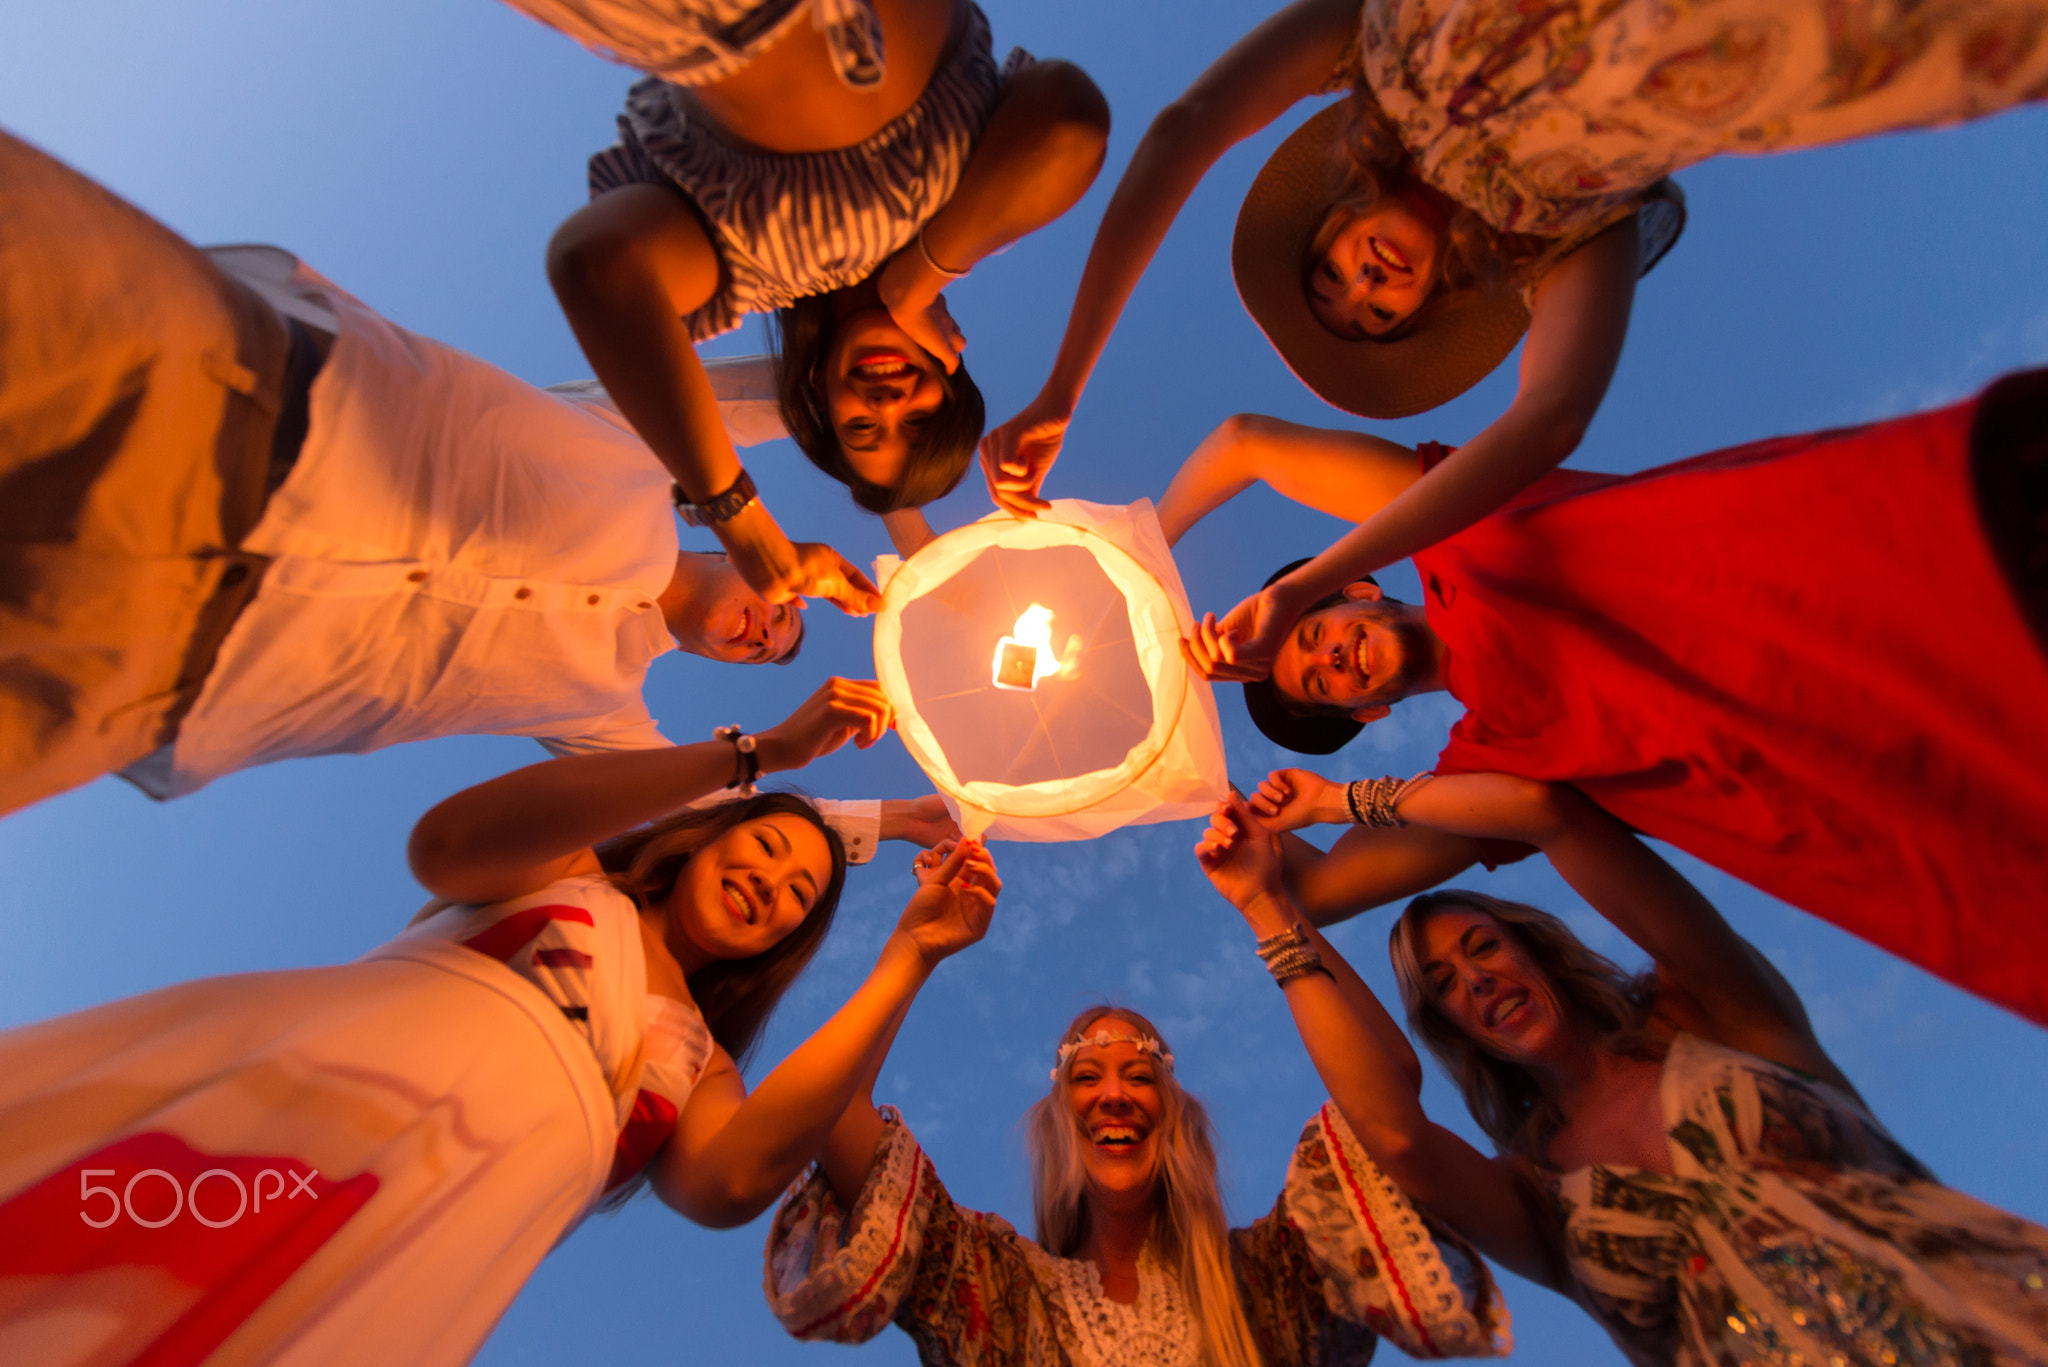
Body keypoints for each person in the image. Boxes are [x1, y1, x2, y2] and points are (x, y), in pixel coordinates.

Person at [979, 0, 2048, 677]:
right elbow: (1548, 418)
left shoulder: (1368, 48)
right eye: (1374, 315)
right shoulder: (1563, 236)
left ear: (1335, 212)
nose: (1362, 288)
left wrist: (1063, 382)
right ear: (1431, 311)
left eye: (1333, 273)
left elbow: (1185, 128)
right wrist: (1305, 586)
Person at [0, 674, 1003, 1364]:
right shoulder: (567, 877)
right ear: (700, 839)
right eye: (764, 848)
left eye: (798, 891)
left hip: (435, 1242)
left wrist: (907, 952)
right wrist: (757, 755)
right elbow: (447, 842)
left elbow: (731, 1179)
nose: (773, 882)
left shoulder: (697, 1068)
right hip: (295, 1088)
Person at [0, 135, 945, 857]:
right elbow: (799, 393)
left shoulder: (604, 708)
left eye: (768, 655)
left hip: (154, 673)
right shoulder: (641, 449)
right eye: (785, 621)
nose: (769, 633)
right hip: (223, 390)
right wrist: (913, 497)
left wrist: (893, 815)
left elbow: (712, 807)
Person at [1150, 372, 2048, 1027]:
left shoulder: (1456, 527)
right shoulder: (1496, 759)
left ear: (1358, 587)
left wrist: (1137, 565)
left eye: (1313, 632)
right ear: (1368, 715)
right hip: (1913, 772)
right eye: (1323, 684)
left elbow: (1246, 443)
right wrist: (1217, 794)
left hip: (1909, 554)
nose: (1331, 657)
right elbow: (1321, 888)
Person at [1209, 769, 2048, 1366]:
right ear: (1452, 1028)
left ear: (1535, 945)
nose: (1479, 981)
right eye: (1447, 987)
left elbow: (1549, 812)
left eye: (1484, 947)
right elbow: (1393, 1133)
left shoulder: (1718, 1014)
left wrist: (1340, 800)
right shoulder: (1536, 1193)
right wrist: (1267, 905)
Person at [760, 843, 1512, 1366]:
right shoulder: (993, 1288)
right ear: (1058, 1118)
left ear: (1176, 1112)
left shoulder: (1278, 1278)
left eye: (1138, 1075)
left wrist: (1267, 903)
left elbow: (1383, 1098)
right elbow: (827, 1105)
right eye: (1085, 1077)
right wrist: (914, 946)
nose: (1113, 1092)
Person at [514, 0, 1109, 589]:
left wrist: (742, 527)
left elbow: (596, 264)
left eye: (861, 429)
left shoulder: (742, 274)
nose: (887, 405)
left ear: (818, 392)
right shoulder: (968, 219)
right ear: (950, 370)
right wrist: (916, 281)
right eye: (921, 418)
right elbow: (1068, 118)